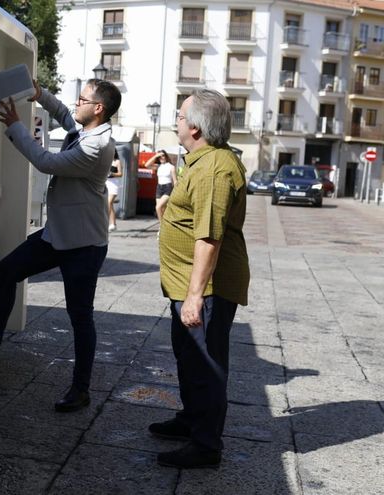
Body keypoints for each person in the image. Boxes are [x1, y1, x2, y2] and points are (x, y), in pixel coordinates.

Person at [0, 79, 121, 412]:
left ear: (98, 108)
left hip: (83, 244)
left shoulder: (97, 146)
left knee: (80, 316)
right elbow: (61, 112)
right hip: (58, 234)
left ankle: (80, 389)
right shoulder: (85, 130)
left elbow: (46, 162)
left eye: (82, 99)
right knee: (8, 270)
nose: (76, 103)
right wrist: (39, 93)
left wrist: (15, 125)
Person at [151, 89, 250, 468]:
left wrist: (195, 297)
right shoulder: (200, 161)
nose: (175, 121)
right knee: (189, 358)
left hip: (206, 289)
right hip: (188, 284)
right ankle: (192, 420)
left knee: (206, 366)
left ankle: (206, 445)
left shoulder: (213, 169)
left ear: (195, 127)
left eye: (179, 116)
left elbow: (209, 236)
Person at [144, 150, 178, 234]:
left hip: (168, 187)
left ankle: (162, 227)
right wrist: (156, 156)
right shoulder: (158, 166)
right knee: (162, 209)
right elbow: (146, 165)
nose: (161, 158)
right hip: (159, 188)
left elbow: (175, 181)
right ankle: (167, 227)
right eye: (160, 156)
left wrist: (177, 191)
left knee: (158, 207)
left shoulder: (171, 167)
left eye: (163, 156)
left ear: (166, 156)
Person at [106, 152, 122, 232]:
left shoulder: (117, 161)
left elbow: (120, 174)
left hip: (114, 185)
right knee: (110, 204)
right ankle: (113, 224)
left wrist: (112, 174)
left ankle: (106, 223)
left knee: (108, 203)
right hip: (106, 184)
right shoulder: (106, 161)